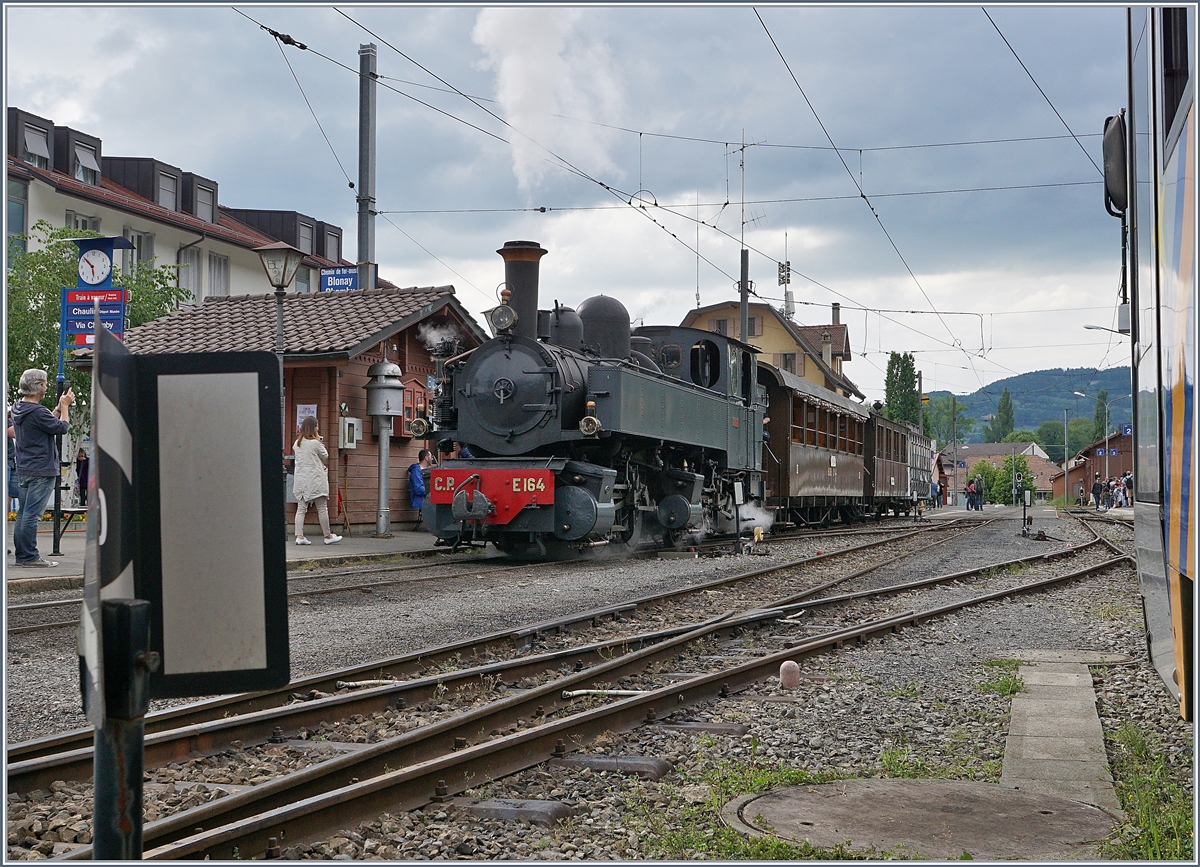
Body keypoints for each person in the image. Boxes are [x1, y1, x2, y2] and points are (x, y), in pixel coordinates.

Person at [11, 369, 73, 567]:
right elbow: (62, 427)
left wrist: (56, 408)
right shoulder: (37, 412)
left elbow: (47, 423)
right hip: (42, 469)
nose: (46, 387)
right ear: (38, 387)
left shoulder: (18, 408)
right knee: (32, 515)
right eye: (45, 384)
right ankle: (29, 557)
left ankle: (22, 555)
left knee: (23, 513)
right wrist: (65, 407)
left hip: (25, 468)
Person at [291, 416, 341, 546]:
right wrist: (319, 440)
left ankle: (299, 536)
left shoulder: (297, 443)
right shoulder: (315, 443)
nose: (318, 428)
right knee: (322, 508)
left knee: (301, 508)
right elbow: (325, 456)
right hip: (315, 479)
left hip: (301, 480)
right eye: (317, 426)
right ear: (313, 428)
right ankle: (328, 536)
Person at [408, 448, 434, 513]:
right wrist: (433, 492)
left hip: (426, 502)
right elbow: (419, 489)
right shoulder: (416, 471)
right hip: (420, 503)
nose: (432, 459)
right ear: (426, 458)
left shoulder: (426, 471)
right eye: (431, 457)